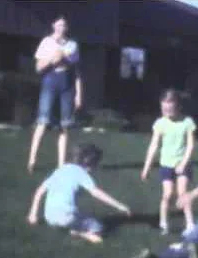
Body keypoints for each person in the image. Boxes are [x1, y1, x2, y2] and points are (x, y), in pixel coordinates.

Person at [26, 143, 131, 244]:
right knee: (99, 227)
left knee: (76, 216)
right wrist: (119, 206)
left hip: (49, 217)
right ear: (91, 165)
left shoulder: (61, 168)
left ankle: (72, 229)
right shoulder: (82, 173)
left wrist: (33, 215)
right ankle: (80, 233)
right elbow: (96, 193)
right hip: (67, 217)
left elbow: (39, 191)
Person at [27, 15, 83, 173]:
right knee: (42, 122)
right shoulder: (46, 42)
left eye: (64, 25)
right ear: (53, 26)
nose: (61, 28)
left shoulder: (72, 45)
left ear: (67, 28)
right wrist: (53, 58)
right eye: (58, 25)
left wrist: (79, 94)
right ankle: (32, 159)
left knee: (64, 126)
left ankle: (61, 165)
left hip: (66, 87)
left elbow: (76, 72)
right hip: (50, 83)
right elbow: (38, 68)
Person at [141, 89, 196, 236]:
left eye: (170, 109)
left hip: (183, 164)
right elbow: (154, 146)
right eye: (164, 109)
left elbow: (190, 145)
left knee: (183, 193)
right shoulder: (160, 123)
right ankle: (164, 224)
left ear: (178, 106)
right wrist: (146, 167)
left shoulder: (187, 122)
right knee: (167, 194)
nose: (166, 112)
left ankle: (190, 225)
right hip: (166, 165)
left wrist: (183, 163)